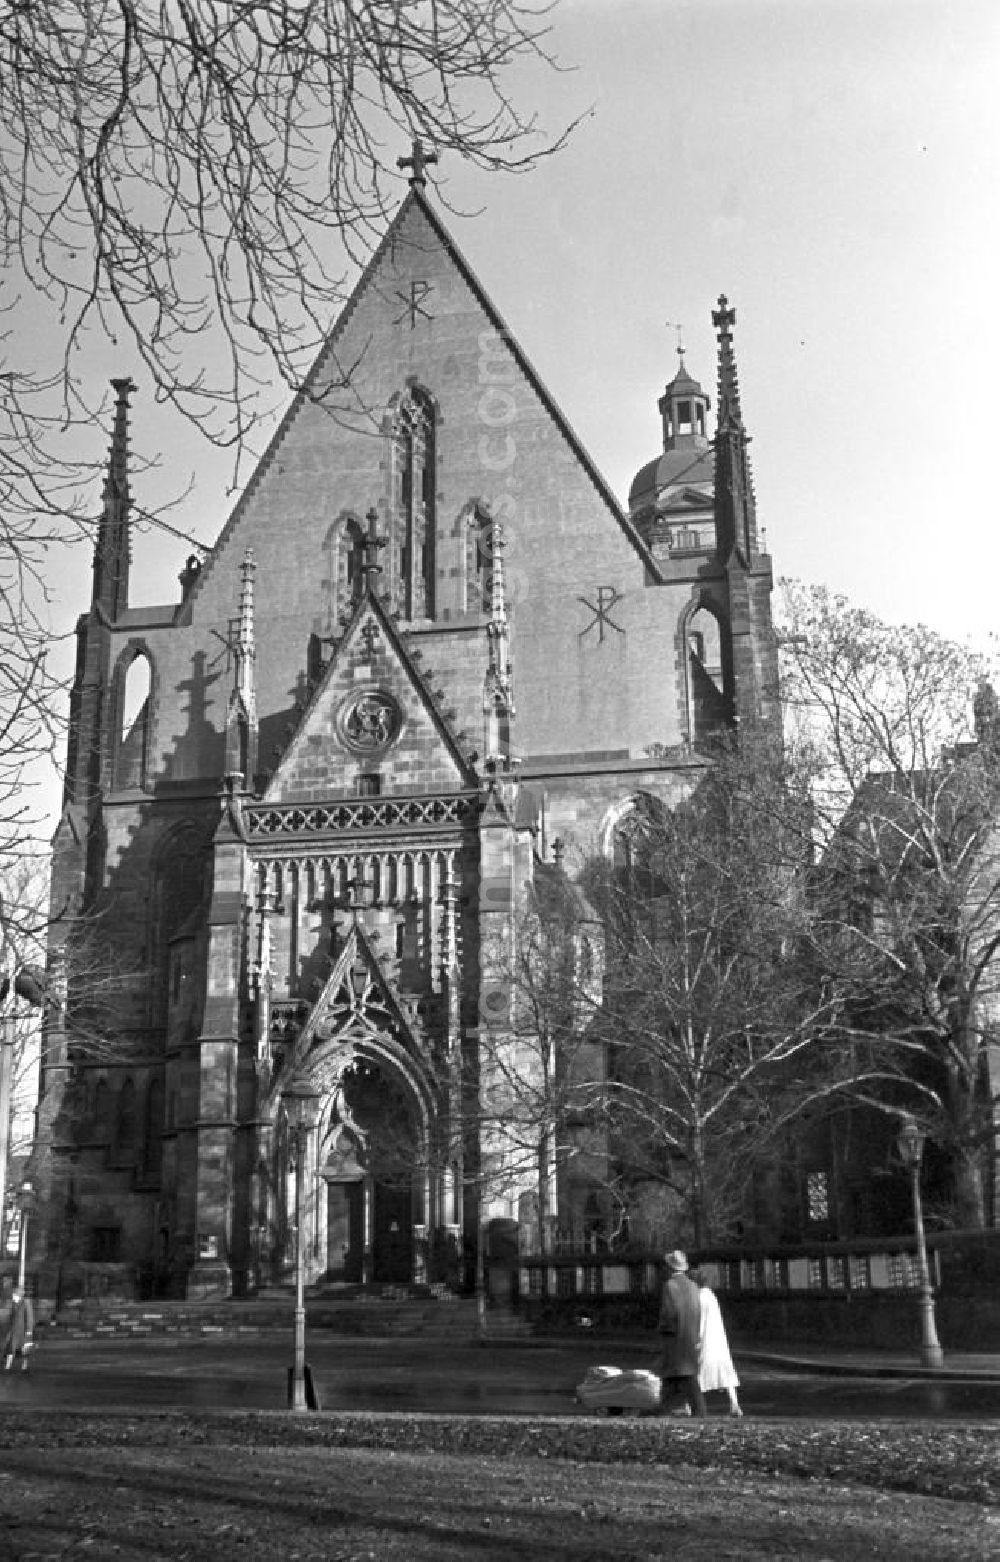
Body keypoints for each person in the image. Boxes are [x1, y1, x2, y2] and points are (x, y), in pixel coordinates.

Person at [657, 1249, 707, 1418]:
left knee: (681, 1375)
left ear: (670, 1267)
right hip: (690, 1335)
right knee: (682, 1375)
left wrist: (663, 1329)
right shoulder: (693, 1286)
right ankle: (664, 1409)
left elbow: (668, 1313)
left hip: (675, 1337)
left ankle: (697, 1411)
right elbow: (698, 1312)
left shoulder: (670, 1286)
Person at [692, 1268, 742, 1416]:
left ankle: (690, 1406)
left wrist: (696, 1338)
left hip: (705, 1340)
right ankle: (734, 1404)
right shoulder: (711, 1295)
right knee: (725, 1374)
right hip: (718, 1340)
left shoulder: (699, 1297)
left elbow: (700, 1321)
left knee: (696, 1375)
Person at [2, 1286, 35, 1372]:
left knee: (24, 1349)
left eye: (14, 1295)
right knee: (10, 1348)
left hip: (23, 1331)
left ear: (18, 1295)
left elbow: (29, 1317)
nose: (13, 1296)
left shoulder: (26, 1302)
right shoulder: (14, 1304)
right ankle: (8, 1365)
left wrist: (29, 1330)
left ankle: (24, 1366)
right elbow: (11, 1317)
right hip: (14, 1330)